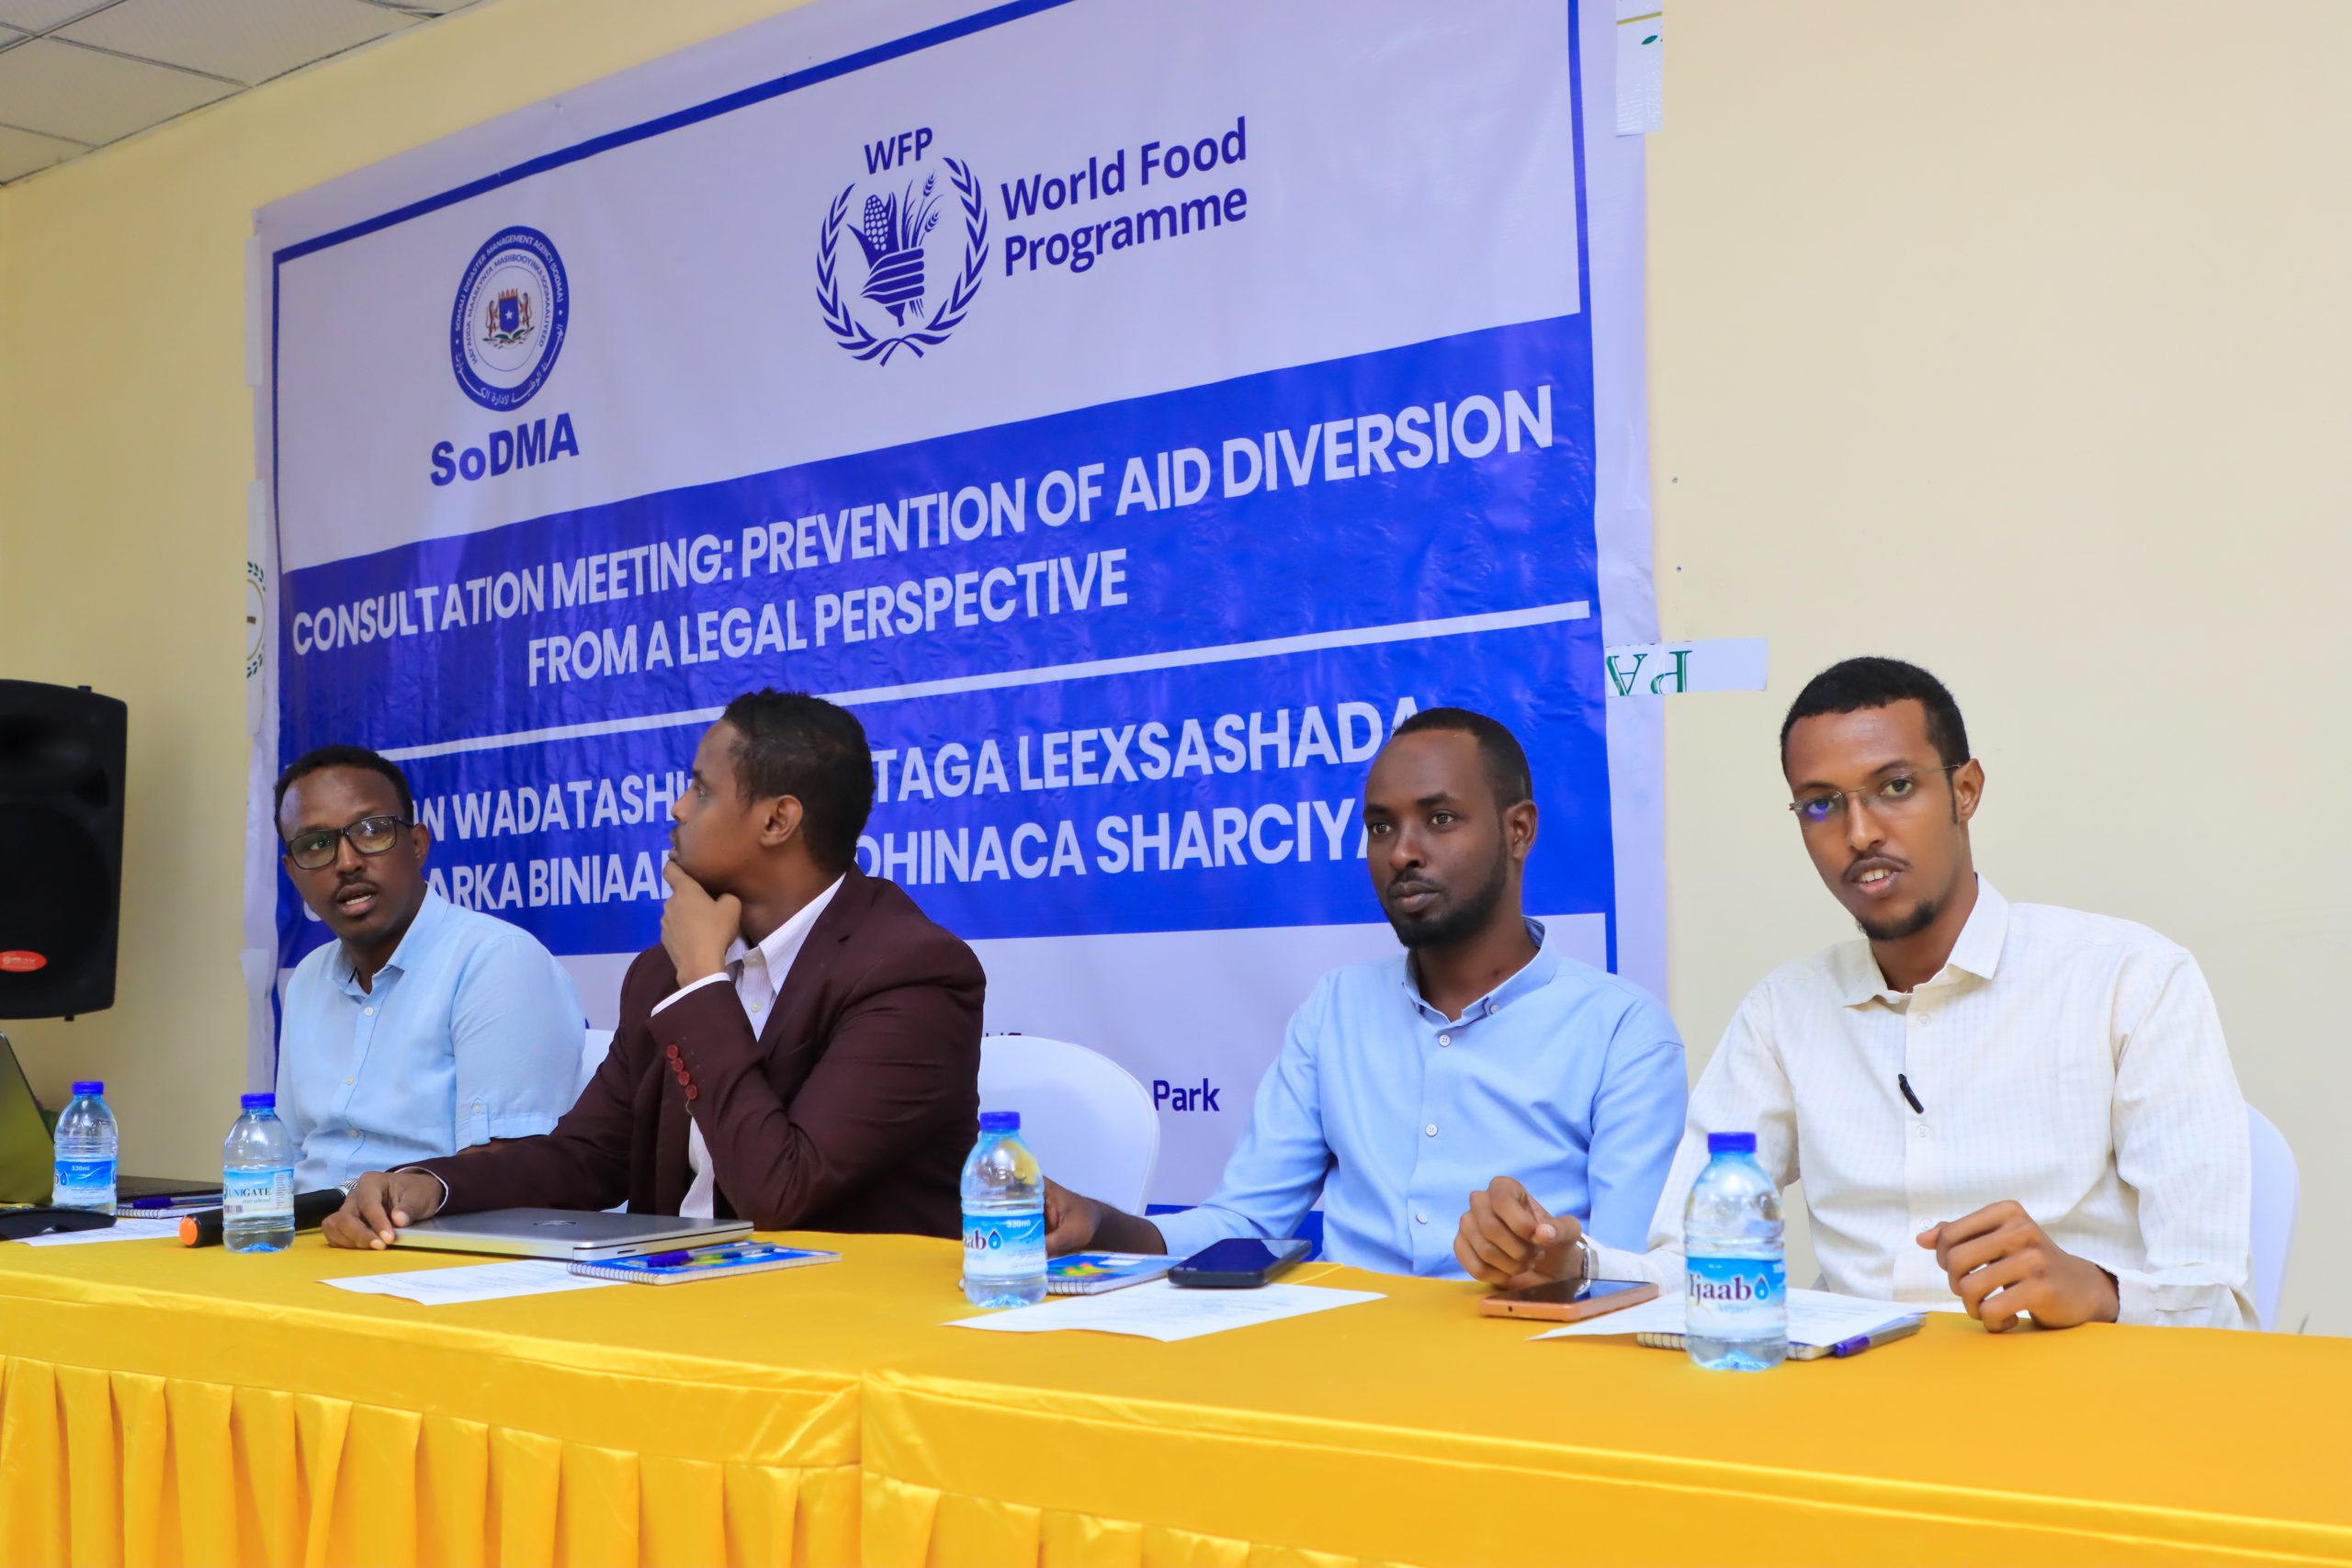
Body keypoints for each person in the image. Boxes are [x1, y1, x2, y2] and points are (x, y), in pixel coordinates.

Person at [1459, 658, 2254, 1330]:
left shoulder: (2129, 982)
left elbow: (2222, 1302)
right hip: (1847, 1407)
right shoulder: (1785, 1012)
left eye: (1895, 786)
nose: (1861, 831)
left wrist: (2098, 1291)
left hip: (2071, 1406)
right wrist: (1571, 1263)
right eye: (1821, 803)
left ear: (1966, 790)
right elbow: (1695, 1264)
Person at [323, 691, 985, 1247]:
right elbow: (590, 1157)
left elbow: (780, 1192)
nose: (677, 808)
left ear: (778, 820)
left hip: (836, 1322)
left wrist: (704, 982)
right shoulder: (659, 974)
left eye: (701, 789)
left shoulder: (911, 973)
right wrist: (431, 1184)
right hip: (672, 1304)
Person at [1046, 707, 1687, 1276]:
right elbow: (1245, 1223)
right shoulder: (1336, 1009)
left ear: (1518, 830)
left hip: (1519, 1357)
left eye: (1439, 818)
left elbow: (1626, 1271)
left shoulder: (1622, 1032)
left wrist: (1543, 1260)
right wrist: (1100, 1224)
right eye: (1381, 827)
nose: (1402, 852)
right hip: (1337, 1351)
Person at [274, 745, 583, 1192]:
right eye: (316, 844)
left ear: (417, 845)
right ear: (293, 873)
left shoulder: (495, 960)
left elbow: (506, 1173)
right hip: (311, 1227)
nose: (347, 862)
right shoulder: (307, 979)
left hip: (432, 1229)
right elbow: (287, 1156)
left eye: (371, 831)